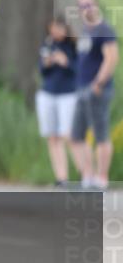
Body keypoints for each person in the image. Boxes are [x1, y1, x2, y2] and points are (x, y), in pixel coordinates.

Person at [70, 0, 119, 190]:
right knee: (76, 136)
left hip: (97, 89)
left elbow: (111, 58)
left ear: (96, 5)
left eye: (89, 4)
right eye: (82, 6)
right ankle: (88, 175)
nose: (86, 9)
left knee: (101, 135)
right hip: (81, 89)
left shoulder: (104, 29)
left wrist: (98, 83)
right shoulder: (85, 31)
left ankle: (101, 177)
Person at [36, 15, 78, 188]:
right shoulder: (47, 45)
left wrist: (65, 62)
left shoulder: (73, 46)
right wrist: (47, 63)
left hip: (68, 94)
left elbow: (79, 71)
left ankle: (86, 173)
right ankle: (62, 178)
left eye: (59, 27)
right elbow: (42, 71)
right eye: (52, 28)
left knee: (69, 135)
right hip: (48, 93)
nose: (55, 31)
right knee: (53, 137)